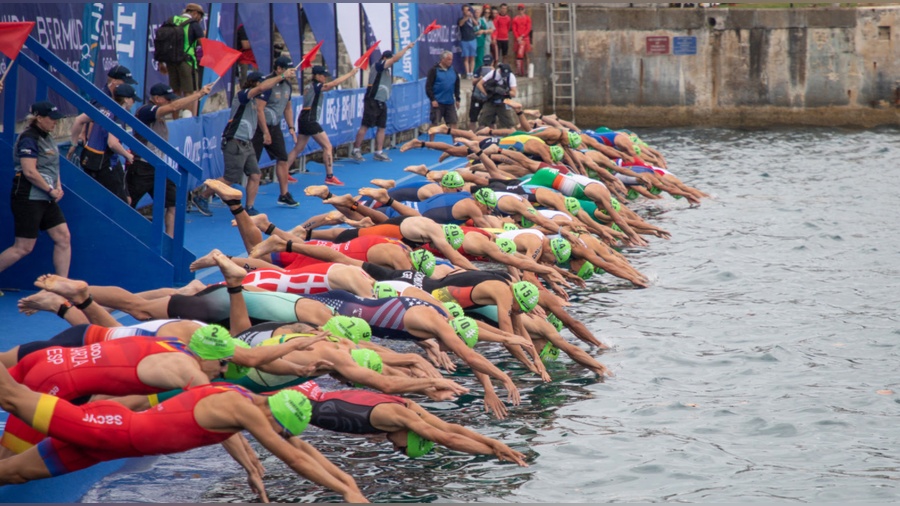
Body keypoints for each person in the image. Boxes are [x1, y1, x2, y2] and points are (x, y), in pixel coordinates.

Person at [0, 364, 368, 502]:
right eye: (279, 429)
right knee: (12, 396)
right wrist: (345, 493)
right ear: (274, 415)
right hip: (107, 430)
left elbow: (299, 447)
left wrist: (349, 482)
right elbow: (295, 458)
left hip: (109, 446)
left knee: (12, 474)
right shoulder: (241, 407)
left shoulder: (246, 403)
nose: (276, 435)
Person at [293, 380, 528, 465]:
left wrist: (494, 442)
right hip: (290, 399)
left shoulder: (408, 407)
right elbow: (447, 439)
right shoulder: (399, 416)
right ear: (415, 435)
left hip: (306, 388)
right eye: (403, 448)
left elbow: (448, 428)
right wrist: (494, 451)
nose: (395, 447)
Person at [193, 70, 295, 216]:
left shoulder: (256, 101)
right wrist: (282, 76)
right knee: (230, 178)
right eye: (261, 83)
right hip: (234, 142)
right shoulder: (243, 95)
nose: (265, 87)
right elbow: (262, 88)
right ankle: (202, 197)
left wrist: (266, 132)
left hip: (247, 143)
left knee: (255, 175)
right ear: (255, 83)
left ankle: (249, 207)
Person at [129, 82, 213, 236]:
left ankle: (170, 241)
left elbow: (175, 106)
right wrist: (199, 94)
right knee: (127, 204)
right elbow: (174, 108)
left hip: (159, 167)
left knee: (173, 204)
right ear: (156, 98)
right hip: (142, 167)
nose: (170, 102)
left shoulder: (160, 116)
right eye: (167, 99)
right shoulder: (146, 111)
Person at [0, 102, 71, 280]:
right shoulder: (29, 138)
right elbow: (29, 171)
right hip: (28, 196)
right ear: (39, 118)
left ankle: (62, 287)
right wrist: (50, 189)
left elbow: (53, 166)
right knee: (23, 247)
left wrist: (58, 186)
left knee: (63, 237)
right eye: (52, 118)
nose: (55, 122)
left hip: (46, 196)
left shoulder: (48, 137)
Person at [283, 65, 359, 186]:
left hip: (304, 119)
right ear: (317, 76)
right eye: (323, 76)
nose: (325, 78)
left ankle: (283, 172)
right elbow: (334, 84)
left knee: (299, 148)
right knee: (327, 146)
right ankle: (330, 177)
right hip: (310, 120)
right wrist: (350, 74)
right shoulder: (316, 85)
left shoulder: (309, 85)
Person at [349, 40, 419, 163]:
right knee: (365, 126)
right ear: (385, 58)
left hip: (382, 102)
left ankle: (379, 152)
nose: (392, 62)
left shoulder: (387, 71)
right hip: (372, 101)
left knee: (382, 127)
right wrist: (407, 48)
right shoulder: (378, 66)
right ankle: (355, 150)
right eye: (390, 59)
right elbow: (395, 59)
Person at [70, 84, 135, 203]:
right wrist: (127, 155)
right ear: (126, 100)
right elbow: (112, 143)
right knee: (120, 204)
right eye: (133, 99)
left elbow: (79, 120)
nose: (134, 102)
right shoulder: (119, 114)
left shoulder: (103, 109)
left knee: (98, 201)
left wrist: (73, 144)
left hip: (89, 161)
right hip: (104, 164)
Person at [252, 56, 298, 207]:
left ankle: (284, 195)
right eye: (289, 70)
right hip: (258, 127)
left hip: (275, 126)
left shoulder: (288, 85)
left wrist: (291, 128)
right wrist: (265, 132)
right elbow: (259, 109)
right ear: (279, 69)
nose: (292, 72)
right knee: (250, 166)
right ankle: (210, 195)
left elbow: (288, 108)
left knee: (283, 158)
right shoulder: (267, 84)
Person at [157, 3, 206, 118]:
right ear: (195, 13)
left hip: (170, 62)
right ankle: (186, 120)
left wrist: (160, 62)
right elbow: (203, 44)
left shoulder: (171, 20)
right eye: (200, 17)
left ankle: (175, 120)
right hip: (187, 62)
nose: (200, 20)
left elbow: (160, 41)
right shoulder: (193, 24)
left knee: (175, 92)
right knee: (189, 93)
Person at [425, 51, 460, 141]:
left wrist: (457, 99)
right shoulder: (434, 70)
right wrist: (432, 99)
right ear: (442, 59)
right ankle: (431, 142)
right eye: (448, 59)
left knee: (453, 122)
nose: (450, 61)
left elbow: (457, 85)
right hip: (438, 102)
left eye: (451, 60)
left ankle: (455, 141)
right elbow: (428, 86)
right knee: (434, 122)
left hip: (450, 102)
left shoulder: (454, 70)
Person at [476, 63, 518, 129]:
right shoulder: (493, 73)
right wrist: (486, 94)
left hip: (504, 102)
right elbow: (479, 84)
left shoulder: (511, 76)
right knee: (482, 123)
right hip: (491, 102)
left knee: (510, 125)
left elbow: (513, 93)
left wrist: (504, 92)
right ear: (500, 70)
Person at [468, 55, 495, 130]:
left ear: (492, 63)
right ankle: (471, 134)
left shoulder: (495, 72)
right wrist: (481, 78)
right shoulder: (479, 69)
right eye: (485, 64)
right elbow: (473, 82)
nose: (487, 66)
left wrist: (493, 73)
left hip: (488, 98)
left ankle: (494, 134)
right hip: (477, 97)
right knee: (473, 118)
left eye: (488, 64)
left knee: (492, 120)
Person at [458, 4, 478, 78]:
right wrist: (465, 18)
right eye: (466, 10)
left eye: (468, 10)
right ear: (463, 11)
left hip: (472, 40)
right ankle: (467, 73)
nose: (467, 11)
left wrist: (472, 18)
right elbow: (460, 24)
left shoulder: (471, 19)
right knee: (466, 57)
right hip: (464, 40)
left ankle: (471, 73)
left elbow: (476, 24)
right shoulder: (461, 19)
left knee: (472, 57)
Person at [512, 4, 532, 76]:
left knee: (526, 55)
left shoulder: (527, 18)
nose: (520, 10)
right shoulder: (515, 19)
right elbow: (514, 29)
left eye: (522, 9)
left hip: (525, 38)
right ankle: (517, 71)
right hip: (517, 39)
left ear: (524, 10)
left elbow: (528, 28)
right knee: (517, 55)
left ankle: (527, 71)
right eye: (519, 9)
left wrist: (522, 36)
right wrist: (518, 38)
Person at [475, 5, 495, 71]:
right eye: (486, 12)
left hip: (487, 41)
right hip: (480, 40)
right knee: (479, 57)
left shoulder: (490, 21)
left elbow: (491, 30)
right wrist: (487, 31)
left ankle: (485, 70)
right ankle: (478, 70)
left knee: (486, 56)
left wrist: (484, 31)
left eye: (489, 13)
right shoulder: (481, 20)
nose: (487, 14)